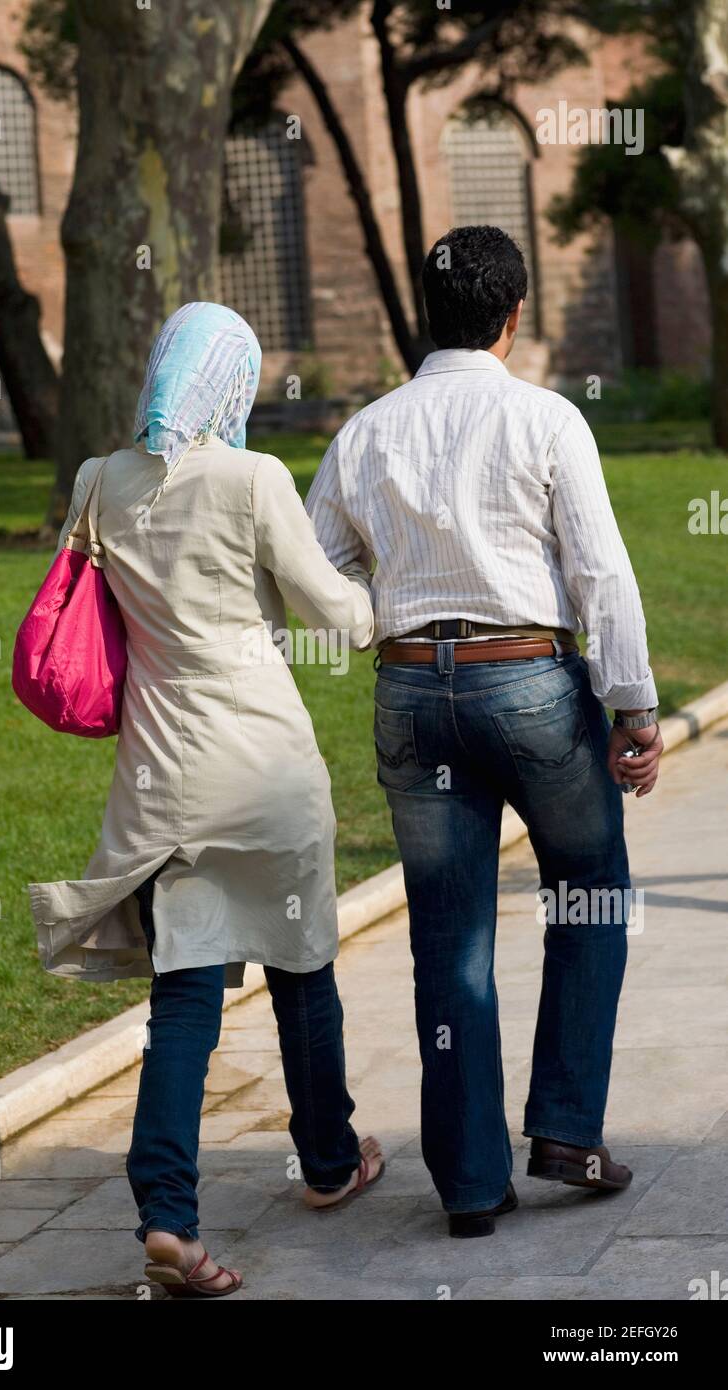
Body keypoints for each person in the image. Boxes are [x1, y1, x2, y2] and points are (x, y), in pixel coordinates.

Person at [306, 225, 663, 1238]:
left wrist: (389, 607)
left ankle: (467, 1183)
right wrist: (631, 708)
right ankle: (562, 1127)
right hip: (532, 684)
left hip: (412, 694)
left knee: (446, 937)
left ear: (426, 317)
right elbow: (601, 575)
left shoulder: (363, 432)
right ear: (513, 317)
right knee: (589, 892)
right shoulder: (544, 419)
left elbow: (309, 569)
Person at [28, 303, 384, 1296]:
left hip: (161, 779)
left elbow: (79, 596)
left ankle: (168, 1220)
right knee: (302, 968)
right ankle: (326, 1163)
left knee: (183, 999)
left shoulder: (101, 480)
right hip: (264, 773)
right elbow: (331, 609)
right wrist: (372, 603)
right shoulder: (253, 479)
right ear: (234, 382)